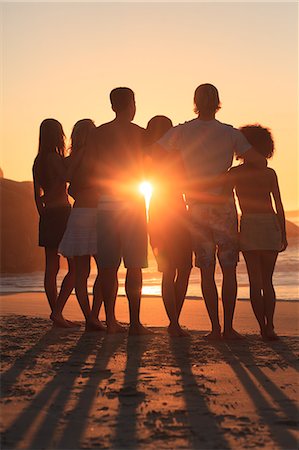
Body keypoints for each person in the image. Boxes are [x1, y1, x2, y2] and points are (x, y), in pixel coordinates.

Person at [158, 83, 266, 340]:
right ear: (218, 102)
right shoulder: (229, 134)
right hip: (223, 206)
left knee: (206, 269)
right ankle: (228, 328)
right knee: (228, 268)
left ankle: (215, 329)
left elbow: (153, 154)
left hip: (195, 207)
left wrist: (181, 177)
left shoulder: (182, 132)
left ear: (195, 102)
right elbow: (260, 161)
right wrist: (229, 174)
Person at [86, 87, 150, 335]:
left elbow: (91, 169)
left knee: (108, 266)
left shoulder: (98, 134)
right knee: (134, 265)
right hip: (132, 202)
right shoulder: (141, 134)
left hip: (106, 204)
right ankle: (134, 323)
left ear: (112, 106)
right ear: (132, 105)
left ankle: (110, 320)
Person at [227, 124, 287, 340]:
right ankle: (270, 326)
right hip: (270, 223)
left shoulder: (234, 173)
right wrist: (284, 234)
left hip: (250, 224)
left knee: (255, 282)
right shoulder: (269, 173)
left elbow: (228, 203)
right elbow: (278, 205)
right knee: (268, 282)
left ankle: (262, 327)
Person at [57, 119, 108, 331]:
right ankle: (94, 315)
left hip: (78, 214)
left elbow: (67, 180)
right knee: (105, 268)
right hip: (96, 213)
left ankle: (90, 316)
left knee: (81, 271)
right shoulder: (97, 155)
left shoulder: (72, 158)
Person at [147, 116, 192, 336]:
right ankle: (174, 322)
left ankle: (174, 321)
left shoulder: (147, 155)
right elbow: (187, 183)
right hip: (174, 208)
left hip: (156, 210)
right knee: (182, 268)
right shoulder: (177, 155)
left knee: (170, 269)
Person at [32, 118, 76, 327]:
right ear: (58, 135)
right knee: (75, 267)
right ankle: (58, 311)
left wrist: (44, 212)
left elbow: (36, 195)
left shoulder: (37, 161)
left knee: (51, 267)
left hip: (47, 214)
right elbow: (67, 178)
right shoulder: (56, 159)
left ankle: (55, 312)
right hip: (62, 213)